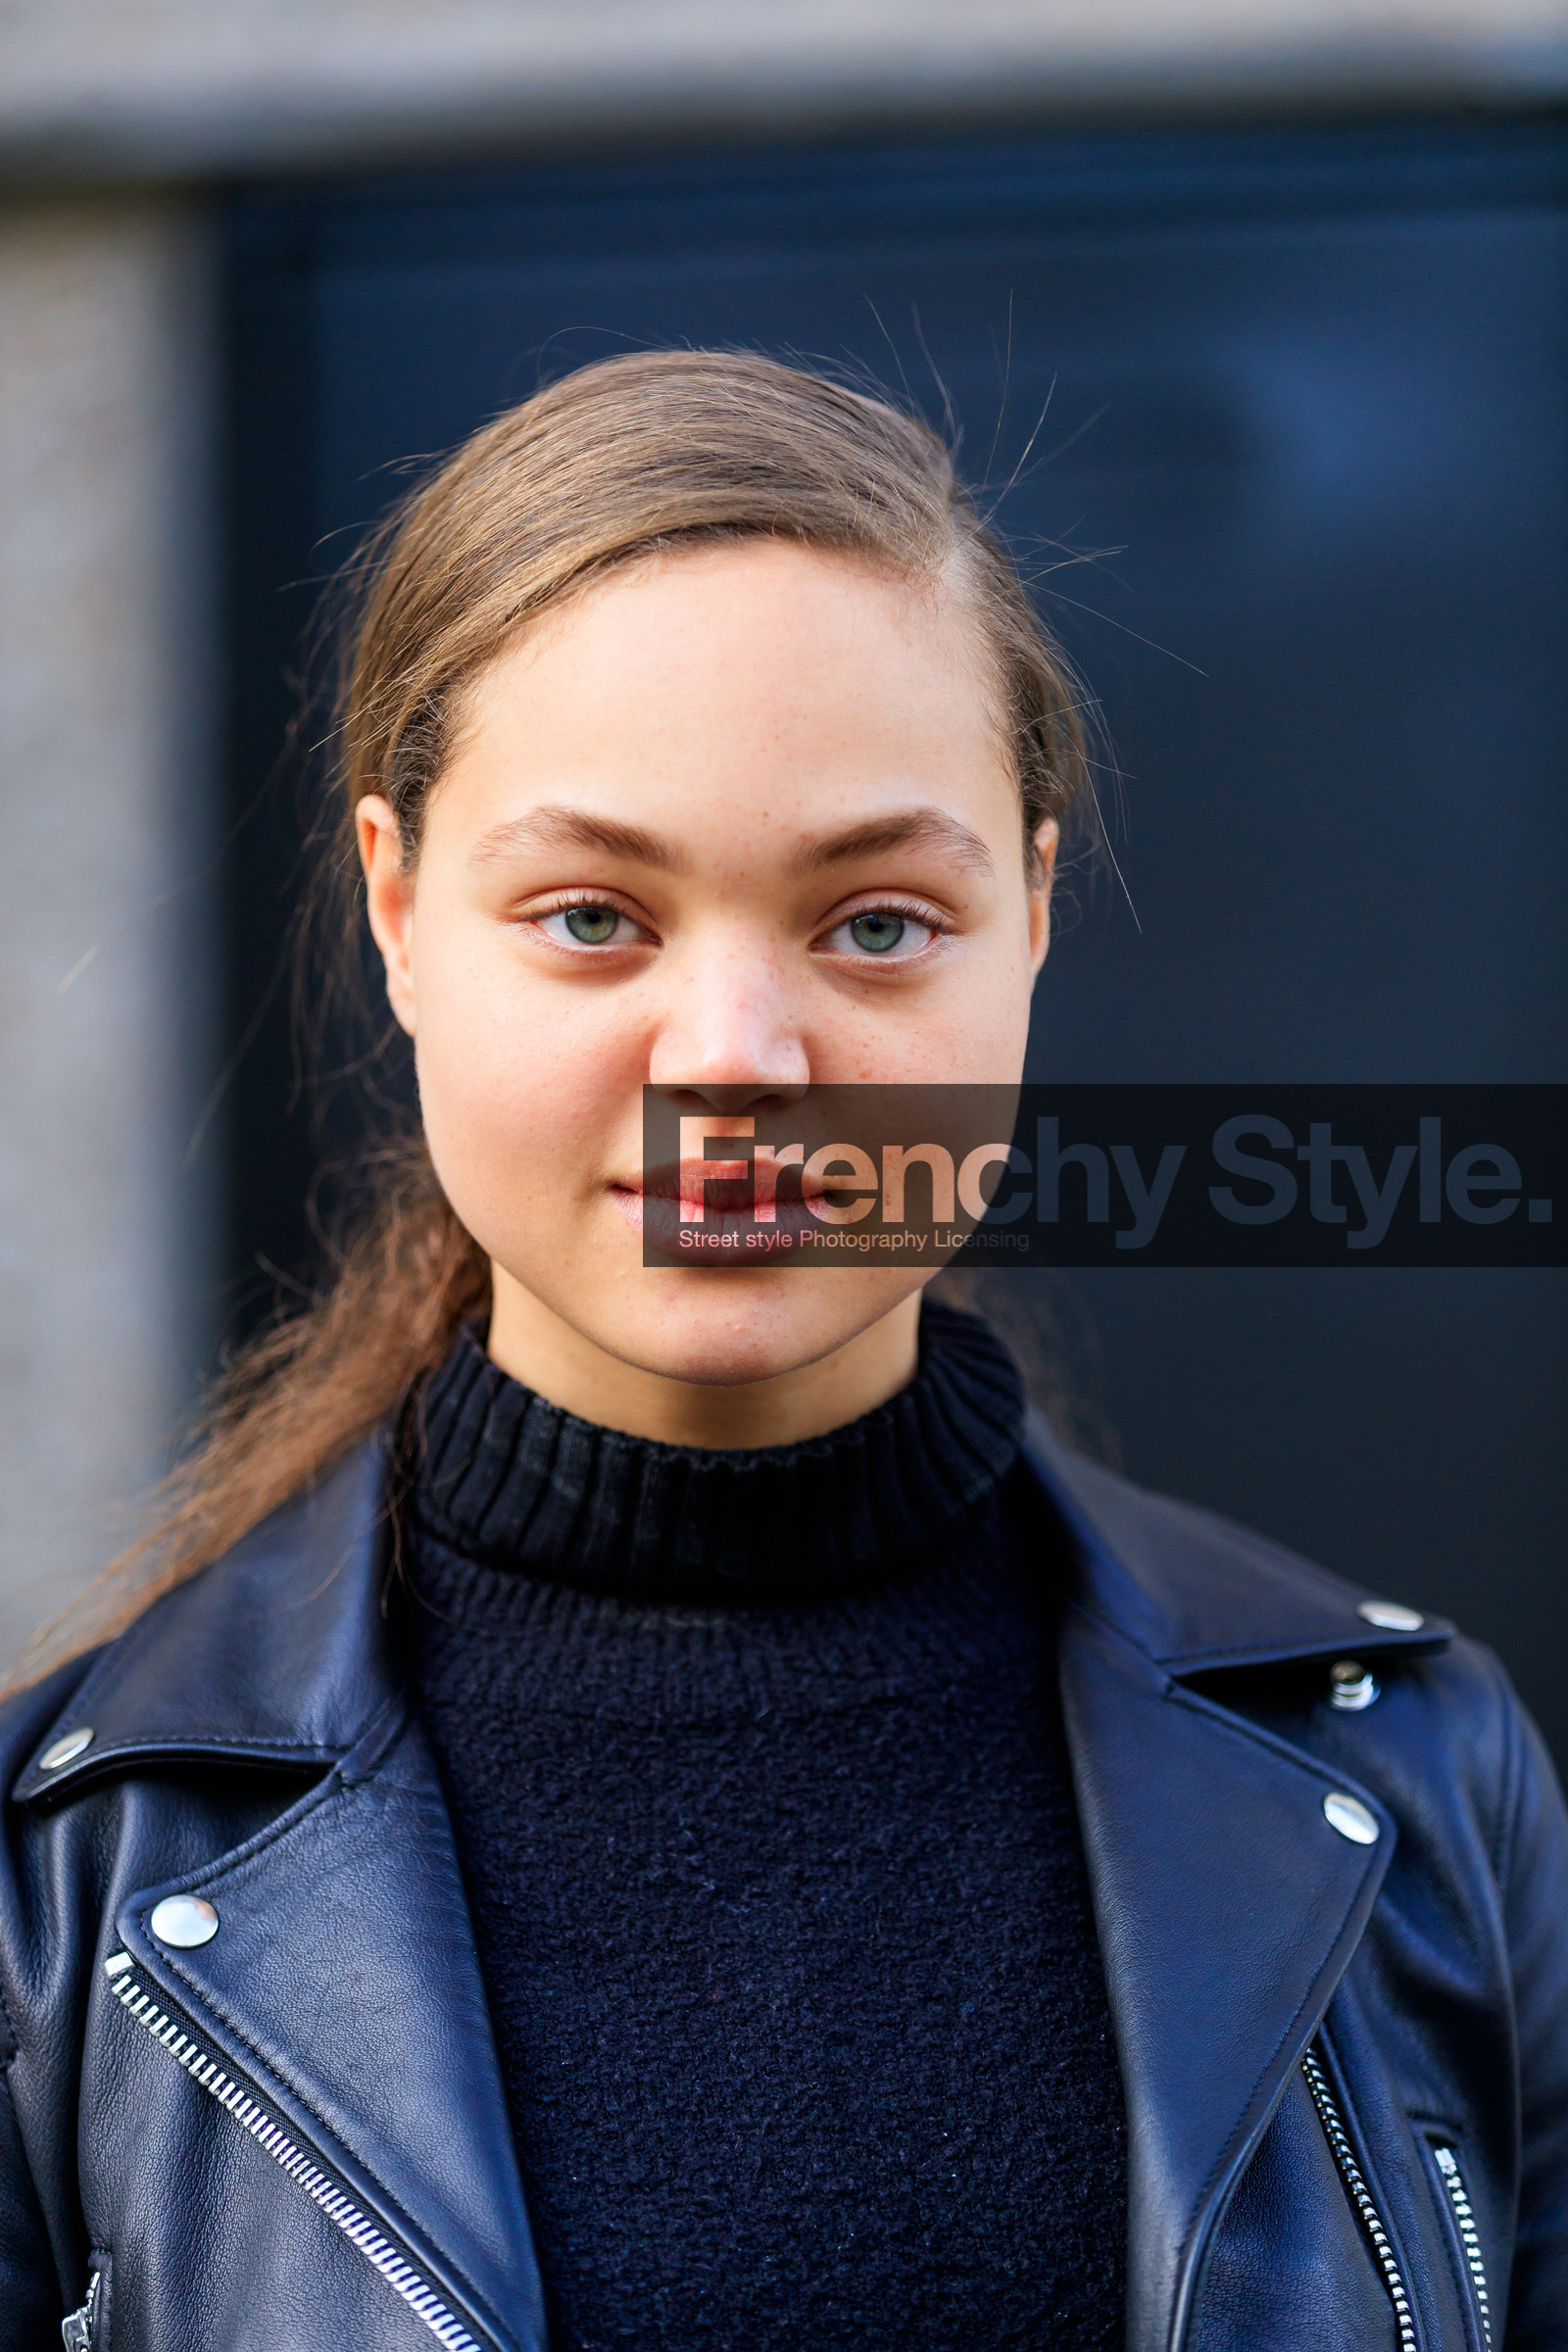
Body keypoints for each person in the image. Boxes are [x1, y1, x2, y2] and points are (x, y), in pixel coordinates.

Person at [0, 351, 1563, 2352]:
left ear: (1032, 917)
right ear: (397, 909)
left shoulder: (1412, 1776)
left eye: (878, 924)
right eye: (588, 916)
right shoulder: (71, 1884)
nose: (735, 1059)